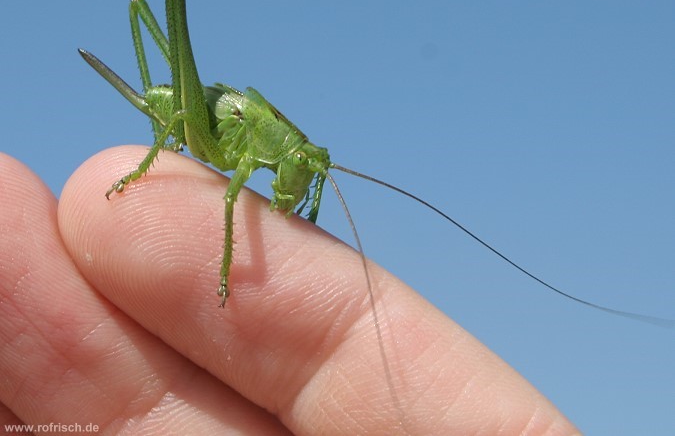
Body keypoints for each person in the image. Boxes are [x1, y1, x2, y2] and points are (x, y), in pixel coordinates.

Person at [0, 147, 579, 435]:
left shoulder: (295, 156)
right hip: (194, 114)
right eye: (301, 167)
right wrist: (223, 270)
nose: (303, 177)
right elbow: (229, 196)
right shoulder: (255, 142)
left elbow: (301, 190)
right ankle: (155, 148)